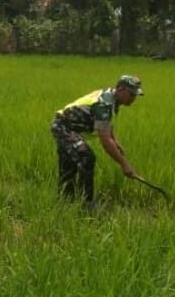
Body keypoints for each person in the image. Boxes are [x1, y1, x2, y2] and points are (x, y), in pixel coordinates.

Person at [50, 74, 144, 207]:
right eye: (131, 94)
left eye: (135, 95)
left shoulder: (112, 97)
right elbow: (104, 140)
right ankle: (87, 204)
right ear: (121, 89)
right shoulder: (104, 104)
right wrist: (124, 165)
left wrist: (115, 140)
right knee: (86, 157)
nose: (133, 98)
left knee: (70, 164)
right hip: (64, 127)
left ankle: (65, 201)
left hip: (70, 128)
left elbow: (106, 122)